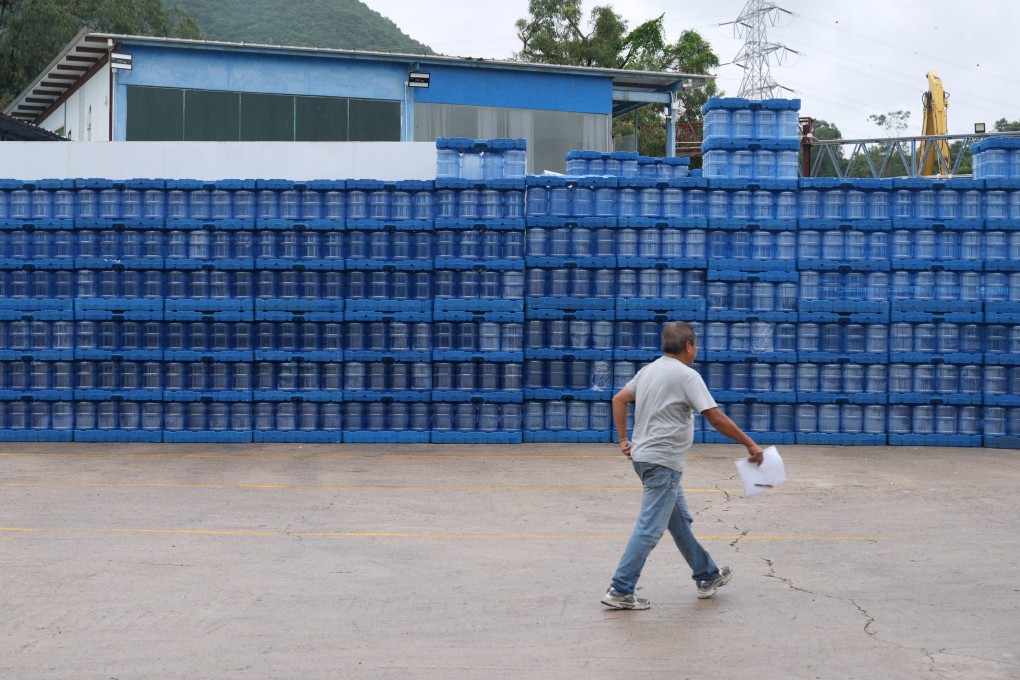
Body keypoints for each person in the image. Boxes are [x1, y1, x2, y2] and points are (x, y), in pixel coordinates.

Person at [601, 320, 764, 610]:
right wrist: (749, 443)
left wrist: (623, 439)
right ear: (689, 346)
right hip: (663, 463)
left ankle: (706, 575)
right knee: (650, 528)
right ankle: (620, 589)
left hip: (644, 459)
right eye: (696, 344)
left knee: (679, 522)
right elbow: (715, 417)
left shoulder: (649, 370)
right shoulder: (687, 376)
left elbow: (619, 399)